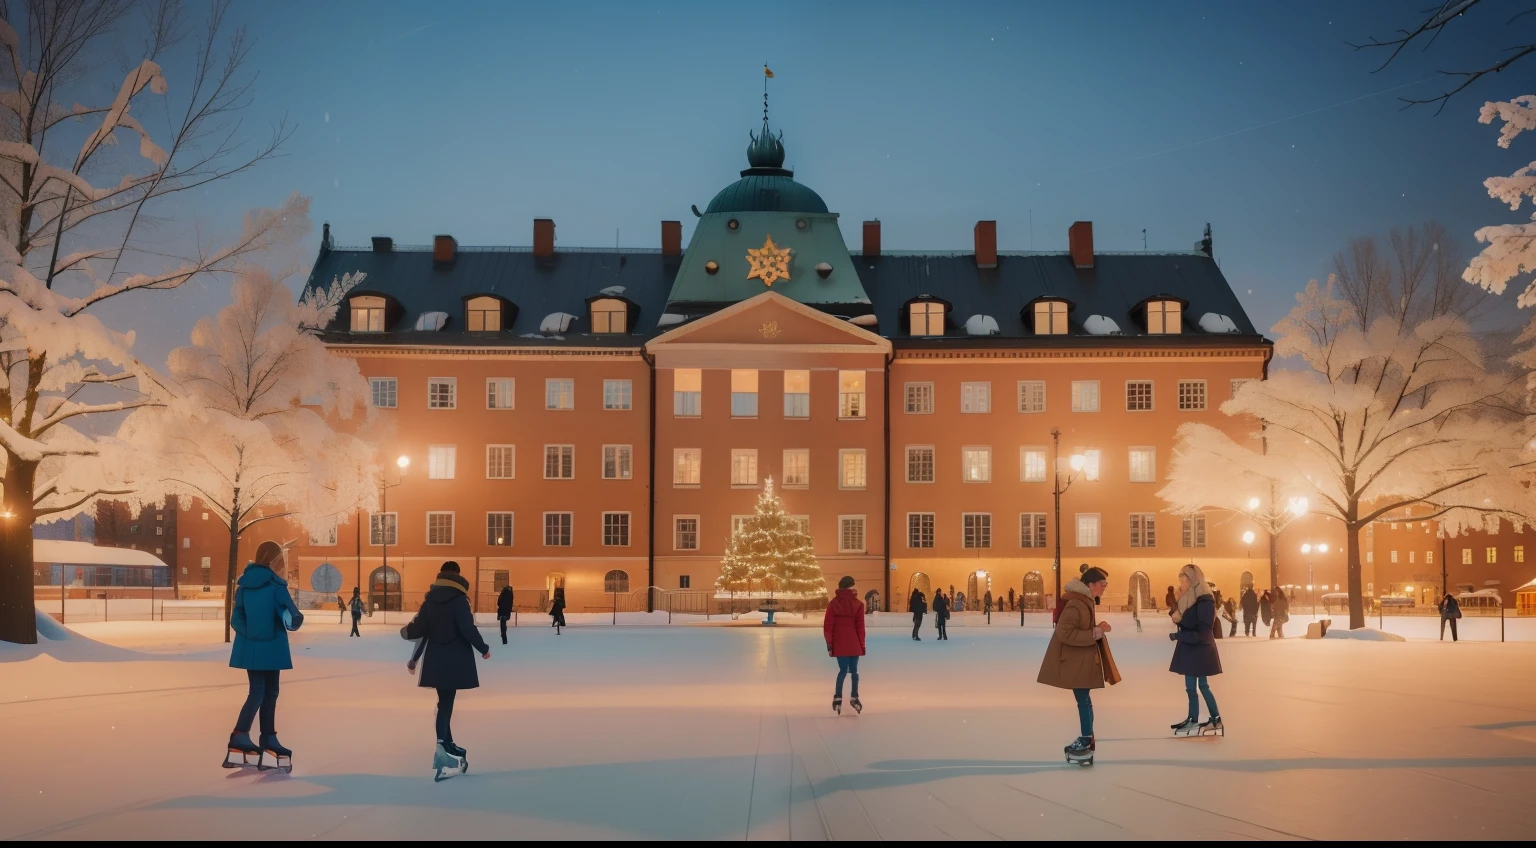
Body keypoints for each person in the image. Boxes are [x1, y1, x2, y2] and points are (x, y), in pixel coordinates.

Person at [403, 561, 490, 768]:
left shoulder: (429, 600)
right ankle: (443, 746)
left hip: (435, 658)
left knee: (444, 702)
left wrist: (408, 635)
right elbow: (467, 628)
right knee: (445, 704)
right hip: (455, 658)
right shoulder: (459, 600)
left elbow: (419, 629)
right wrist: (483, 648)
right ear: (458, 576)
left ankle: (447, 744)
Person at [226, 542, 303, 771]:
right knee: (269, 693)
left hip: (252, 648)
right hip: (273, 648)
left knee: (257, 692)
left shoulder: (244, 586)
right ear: (275, 560)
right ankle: (265, 740)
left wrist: (252, 632)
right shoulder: (276, 587)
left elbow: (236, 617)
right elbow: (293, 615)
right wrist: (292, 620)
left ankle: (241, 739)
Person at [1037, 566, 1117, 765]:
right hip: (1076, 660)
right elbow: (1065, 633)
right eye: (1102, 584)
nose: (1104, 588)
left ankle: (1087, 738)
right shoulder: (1076, 605)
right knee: (1083, 699)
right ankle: (1085, 739)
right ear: (1090, 585)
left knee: (1085, 700)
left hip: (1082, 659)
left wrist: (1097, 630)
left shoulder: (1085, 602)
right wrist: (1096, 632)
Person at [1169, 563, 1223, 736]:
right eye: (1180, 577)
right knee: (1191, 688)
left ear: (1193, 579)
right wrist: (1177, 618)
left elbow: (1204, 631)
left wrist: (1180, 636)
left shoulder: (1205, 600)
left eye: (1184, 578)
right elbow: (1186, 619)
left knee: (1203, 686)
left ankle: (1215, 718)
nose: (1181, 581)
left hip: (1200, 648)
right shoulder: (1188, 598)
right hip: (1190, 647)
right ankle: (1193, 718)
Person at [824, 575, 867, 714]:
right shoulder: (858, 604)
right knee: (854, 671)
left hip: (839, 642)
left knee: (843, 671)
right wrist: (862, 645)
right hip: (854, 642)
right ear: (850, 587)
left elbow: (828, 626)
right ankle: (854, 696)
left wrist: (830, 644)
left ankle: (837, 697)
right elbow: (860, 627)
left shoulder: (833, 604)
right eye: (853, 585)